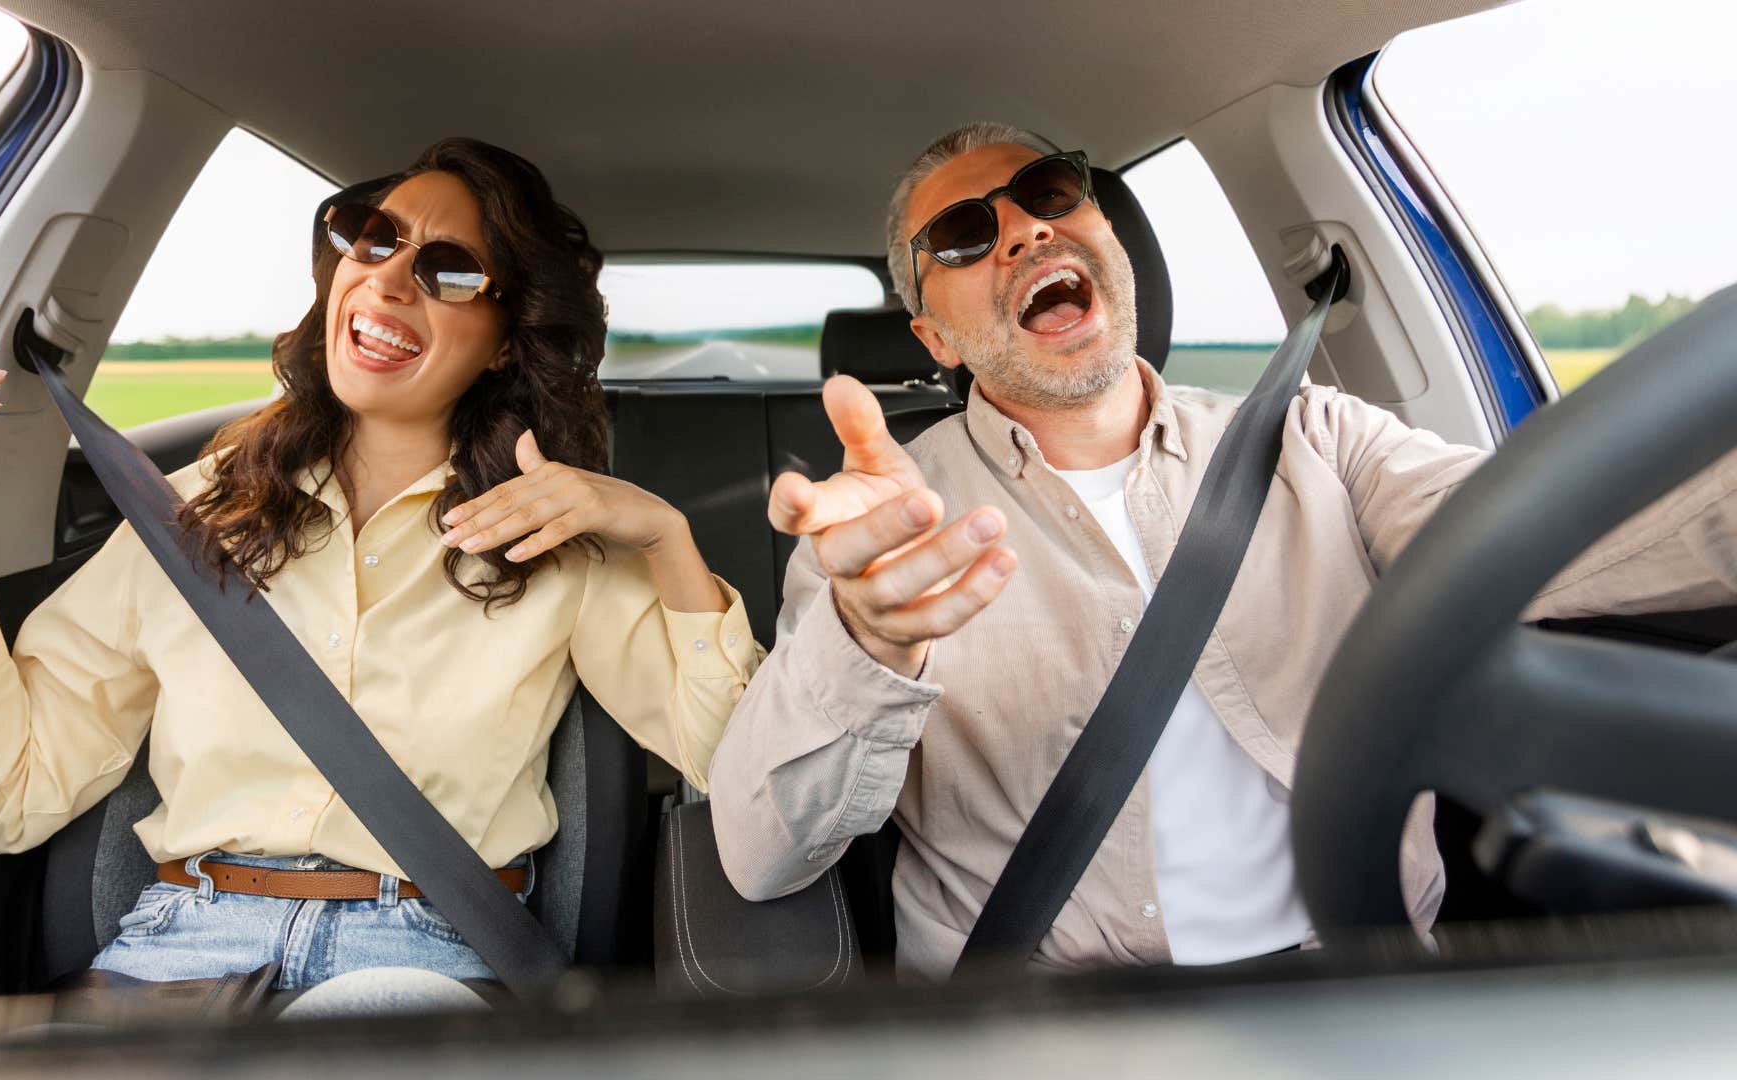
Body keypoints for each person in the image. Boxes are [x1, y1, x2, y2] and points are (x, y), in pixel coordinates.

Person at [708, 122, 1737, 979]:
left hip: (1363, 978)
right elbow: (762, 857)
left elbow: (1545, 528)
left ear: (1106, 237)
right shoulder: (878, 539)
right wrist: (871, 640)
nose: (1024, 228)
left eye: (1052, 194)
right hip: (1046, 1028)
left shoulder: (1315, 437)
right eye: (967, 236)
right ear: (932, 336)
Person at [0, 137, 761, 995]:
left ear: (508, 341)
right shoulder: (190, 512)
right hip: (177, 949)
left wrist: (664, 537)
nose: (392, 279)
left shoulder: (554, 536)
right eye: (376, 241)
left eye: (448, 270)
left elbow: (748, 779)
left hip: (422, 950)